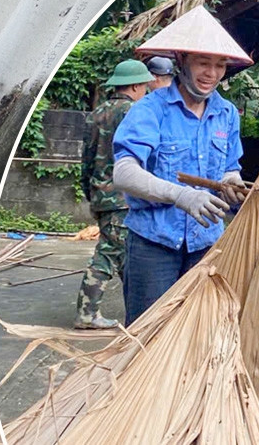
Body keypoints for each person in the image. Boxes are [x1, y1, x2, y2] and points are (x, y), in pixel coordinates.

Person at [112, 5, 252, 324]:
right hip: (154, 243)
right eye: (204, 62)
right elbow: (124, 173)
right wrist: (181, 196)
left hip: (207, 243)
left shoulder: (227, 114)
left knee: (198, 333)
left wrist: (232, 182)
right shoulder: (151, 109)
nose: (212, 73)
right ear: (182, 60)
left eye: (220, 64)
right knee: (148, 335)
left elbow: (230, 167)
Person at [75, 59, 155, 329]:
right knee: (109, 254)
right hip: (124, 196)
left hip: (101, 194)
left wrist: (90, 191)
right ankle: (87, 314)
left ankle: (139, 311)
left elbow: (85, 159)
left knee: (123, 254)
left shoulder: (96, 113)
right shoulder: (136, 112)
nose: (146, 90)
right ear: (134, 86)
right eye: (144, 85)